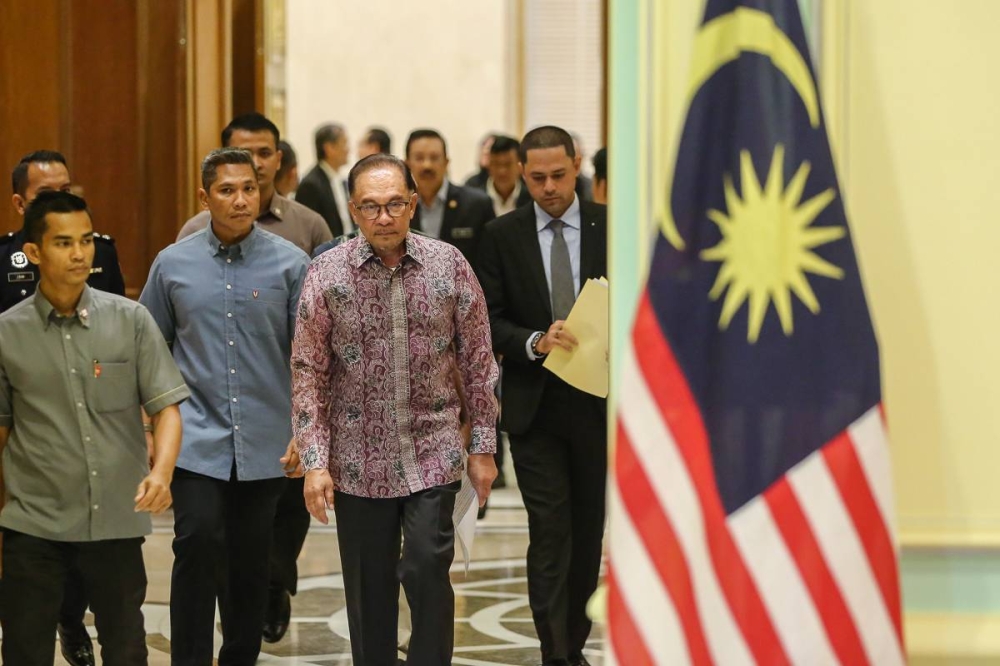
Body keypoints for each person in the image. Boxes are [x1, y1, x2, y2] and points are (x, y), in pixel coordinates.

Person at [292, 154, 499, 666]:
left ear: (412, 204)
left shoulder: (449, 265)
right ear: (352, 209)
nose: (383, 217)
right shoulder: (326, 273)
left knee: (428, 567)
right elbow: (308, 371)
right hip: (356, 461)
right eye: (370, 206)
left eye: (393, 205)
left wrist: (484, 448)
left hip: (433, 451)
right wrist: (315, 461)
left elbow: (478, 362)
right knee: (368, 592)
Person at [0, 190, 188, 666]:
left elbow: (165, 407)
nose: (80, 253)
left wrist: (162, 472)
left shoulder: (130, 320)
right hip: (35, 525)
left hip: (115, 524)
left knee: (126, 649)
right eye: (64, 243)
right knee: (25, 649)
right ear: (35, 252)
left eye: (85, 240)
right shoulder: (6, 334)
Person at [140, 148, 309, 665]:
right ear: (204, 196)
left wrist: (306, 430)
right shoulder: (173, 264)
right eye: (227, 190)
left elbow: (308, 357)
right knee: (196, 542)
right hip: (195, 438)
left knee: (250, 561)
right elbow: (149, 350)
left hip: (266, 442)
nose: (241, 200)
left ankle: (240, 656)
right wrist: (149, 429)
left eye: (250, 189)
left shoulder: (291, 264)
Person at [477, 125, 608, 666]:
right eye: (537, 178)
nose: (549, 187)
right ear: (521, 174)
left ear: (577, 166)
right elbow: (489, 319)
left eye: (558, 175)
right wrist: (534, 340)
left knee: (585, 530)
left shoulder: (609, 227)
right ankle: (556, 652)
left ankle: (574, 639)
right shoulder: (501, 235)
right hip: (535, 407)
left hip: (598, 406)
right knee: (549, 531)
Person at [2, 149, 128, 666]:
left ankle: (73, 621)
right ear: (18, 205)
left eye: (68, 190)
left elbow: (114, 317)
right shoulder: (5, 257)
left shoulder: (100, 249)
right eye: (44, 194)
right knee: (35, 550)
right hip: (28, 411)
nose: (59, 200)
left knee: (91, 547)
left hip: (94, 409)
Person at [176, 113, 331, 256]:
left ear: (278, 159)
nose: (256, 163)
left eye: (264, 154)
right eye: (245, 154)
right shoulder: (196, 229)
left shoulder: (310, 226)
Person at [405, 128, 495, 267]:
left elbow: (489, 264)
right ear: (407, 163)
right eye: (419, 158)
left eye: (434, 158)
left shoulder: (477, 205)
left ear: (446, 162)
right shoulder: (398, 207)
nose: (427, 165)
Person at [296, 123, 353, 237]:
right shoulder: (310, 184)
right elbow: (307, 230)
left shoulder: (341, 180)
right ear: (329, 148)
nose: (348, 150)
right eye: (344, 143)